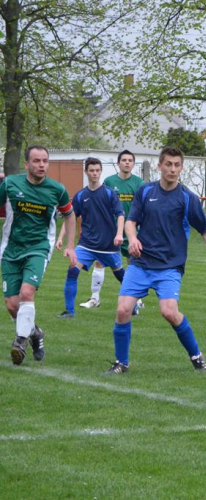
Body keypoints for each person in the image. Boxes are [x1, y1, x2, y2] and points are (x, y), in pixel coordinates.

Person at [105, 146, 206, 374]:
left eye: (177, 165)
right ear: (160, 166)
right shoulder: (145, 192)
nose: (172, 169)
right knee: (123, 309)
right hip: (141, 263)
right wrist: (133, 239)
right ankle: (121, 363)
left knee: (169, 312)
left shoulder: (188, 198)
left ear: (181, 168)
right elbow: (130, 221)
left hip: (169, 267)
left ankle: (196, 355)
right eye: (168, 164)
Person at [1, 146, 77, 365]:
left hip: (38, 248)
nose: (42, 165)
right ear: (26, 164)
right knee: (12, 305)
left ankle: (20, 343)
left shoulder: (57, 190)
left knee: (27, 293)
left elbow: (69, 216)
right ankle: (35, 333)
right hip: (10, 249)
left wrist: (70, 245)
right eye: (36, 161)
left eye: (45, 161)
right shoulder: (10, 184)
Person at [56, 157, 125, 318]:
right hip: (86, 244)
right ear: (86, 172)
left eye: (97, 170)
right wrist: (61, 238)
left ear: (101, 172)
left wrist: (119, 233)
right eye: (92, 170)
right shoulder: (80, 196)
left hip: (108, 245)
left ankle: (134, 303)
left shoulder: (109, 193)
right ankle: (69, 311)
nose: (95, 173)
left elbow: (120, 214)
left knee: (121, 276)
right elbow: (70, 218)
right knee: (72, 271)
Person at [79, 150, 145, 313]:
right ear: (118, 163)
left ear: (133, 164)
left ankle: (136, 298)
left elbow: (143, 208)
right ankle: (95, 298)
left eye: (130, 160)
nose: (127, 163)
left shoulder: (139, 183)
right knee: (99, 262)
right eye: (124, 160)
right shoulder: (109, 181)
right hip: (109, 232)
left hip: (131, 233)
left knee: (132, 265)